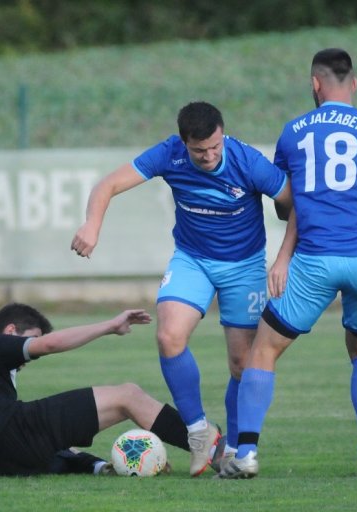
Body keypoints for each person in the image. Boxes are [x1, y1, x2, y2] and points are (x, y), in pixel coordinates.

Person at [218, 48, 357, 479]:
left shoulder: (294, 131)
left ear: (315, 84)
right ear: (352, 84)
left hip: (316, 260)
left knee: (263, 350)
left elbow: (285, 205)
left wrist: (285, 252)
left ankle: (246, 454)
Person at [71, 101, 292, 476]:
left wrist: (284, 257)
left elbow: (292, 204)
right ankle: (198, 433)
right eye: (198, 150)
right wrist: (92, 225)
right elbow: (107, 185)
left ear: (223, 135)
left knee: (241, 363)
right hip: (192, 260)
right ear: (183, 142)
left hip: (245, 266)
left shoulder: (248, 162)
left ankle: (235, 450)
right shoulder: (168, 155)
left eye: (214, 147)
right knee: (168, 336)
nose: (208, 156)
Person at [0, 303, 191, 477]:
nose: (31, 353)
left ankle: (98, 467)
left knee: (54, 440)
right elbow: (49, 345)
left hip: (1, 466)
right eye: (30, 339)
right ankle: (210, 447)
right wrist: (110, 325)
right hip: (14, 434)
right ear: (10, 332)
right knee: (128, 395)